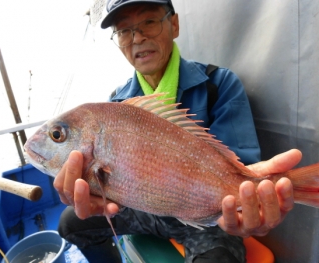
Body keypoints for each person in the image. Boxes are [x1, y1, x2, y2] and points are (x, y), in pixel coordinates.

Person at [55, 0, 298, 262]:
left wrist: (250, 198)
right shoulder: (117, 104)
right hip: (143, 205)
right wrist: (91, 192)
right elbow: (116, 185)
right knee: (70, 223)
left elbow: (242, 168)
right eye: (124, 31)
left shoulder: (218, 84)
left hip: (209, 212)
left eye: (149, 21)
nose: (137, 37)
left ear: (174, 24)